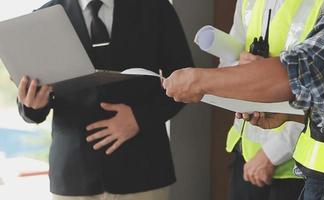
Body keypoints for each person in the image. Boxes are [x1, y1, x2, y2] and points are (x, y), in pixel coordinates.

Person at [163, 0, 324, 199]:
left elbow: (301, 76)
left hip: (318, 175)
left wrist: (198, 79)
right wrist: (291, 113)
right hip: (252, 154)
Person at [17, 0, 193, 199]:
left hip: (144, 170)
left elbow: (188, 84)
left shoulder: (156, 8)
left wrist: (139, 118)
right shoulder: (43, 17)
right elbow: (31, 107)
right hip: (74, 176)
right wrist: (33, 104)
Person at [217, 0, 324, 199]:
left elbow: (322, 91)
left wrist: (271, 154)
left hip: (295, 167)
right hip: (245, 156)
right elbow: (225, 64)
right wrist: (242, 68)